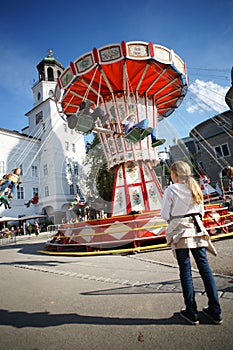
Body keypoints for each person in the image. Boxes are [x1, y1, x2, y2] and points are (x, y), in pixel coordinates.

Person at [160, 160, 222, 325]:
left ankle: (191, 311)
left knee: (185, 271)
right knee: (205, 269)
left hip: (181, 232)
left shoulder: (171, 189)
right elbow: (200, 211)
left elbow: (165, 214)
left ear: (174, 174)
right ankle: (215, 310)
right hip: (197, 230)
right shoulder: (195, 187)